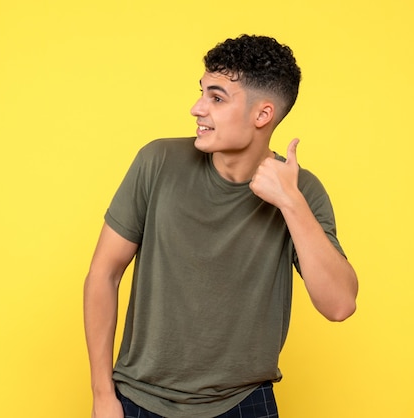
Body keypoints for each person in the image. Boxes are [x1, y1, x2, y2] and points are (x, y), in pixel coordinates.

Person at [84, 34, 358, 418]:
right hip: (139, 399)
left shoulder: (302, 191)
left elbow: (340, 305)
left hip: (244, 404)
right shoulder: (158, 162)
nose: (197, 108)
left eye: (216, 97)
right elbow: (104, 273)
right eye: (201, 93)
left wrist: (291, 203)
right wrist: (102, 395)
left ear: (262, 115)